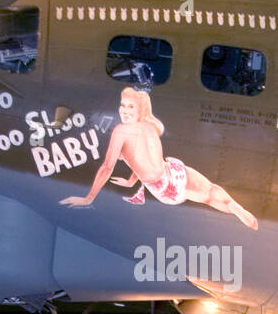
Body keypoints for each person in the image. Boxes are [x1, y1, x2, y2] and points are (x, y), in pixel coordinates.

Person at [60, 87, 259, 229]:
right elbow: (140, 158)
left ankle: (235, 209)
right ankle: (235, 208)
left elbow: (107, 167)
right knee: (209, 193)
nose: (124, 111)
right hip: (172, 172)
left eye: (130, 107)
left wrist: (89, 198)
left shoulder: (121, 131)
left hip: (162, 187)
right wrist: (131, 180)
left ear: (138, 110)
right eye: (123, 106)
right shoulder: (150, 126)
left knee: (207, 197)